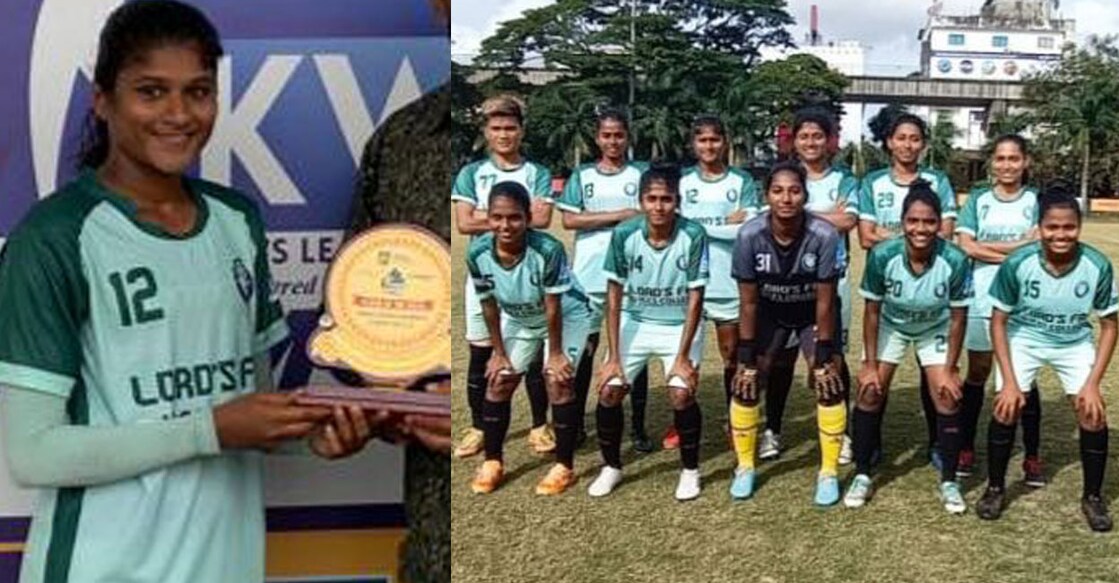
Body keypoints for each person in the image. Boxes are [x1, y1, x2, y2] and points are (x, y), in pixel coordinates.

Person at [0, 3, 368, 581]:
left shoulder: (235, 221)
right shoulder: (54, 238)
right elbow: (33, 453)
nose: (178, 114)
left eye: (198, 92)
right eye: (151, 92)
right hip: (104, 567)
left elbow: (252, 405)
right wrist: (207, 430)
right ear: (103, 100)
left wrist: (316, 438)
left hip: (226, 562)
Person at [349, 0, 452, 573]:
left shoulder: (547, 158)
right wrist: (391, 392)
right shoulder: (401, 142)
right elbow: (349, 321)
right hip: (438, 542)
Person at [975, 188, 1117, 532]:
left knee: (1092, 414)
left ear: (1079, 227)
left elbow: (1110, 325)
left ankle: (1093, 497)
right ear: (1039, 228)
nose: (1060, 235)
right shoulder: (1017, 263)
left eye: (1068, 227)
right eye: (1052, 227)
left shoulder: (1096, 265)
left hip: (1073, 341)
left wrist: (1092, 384)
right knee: (1006, 406)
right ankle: (995, 489)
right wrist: (1009, 382)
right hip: (1025, 338)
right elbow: (998, 321)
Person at [844, 181, 971, 514]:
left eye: (929, 221)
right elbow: (871, 312)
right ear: (902, 223)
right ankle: (862, 473)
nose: (921, 228)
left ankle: (949, 481)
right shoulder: (883, 255)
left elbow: (959, 318)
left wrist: (951, 368)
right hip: (892, 324)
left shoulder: (955, 259)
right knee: (870, 390)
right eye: (913, 221)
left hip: (935, 326)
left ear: (939, 224)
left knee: (946, 394)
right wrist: (870, 363)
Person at [588, 165, 709, 500]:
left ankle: (690, 471)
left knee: (681, 393)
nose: (659, 206)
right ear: (641, 201)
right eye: (652, 199)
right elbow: (613, 296)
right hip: (636, 320)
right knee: (610, 390)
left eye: (666, 199)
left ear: (677, 201)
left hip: (678, 326)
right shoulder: (625, 234)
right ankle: (611, 467)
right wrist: (612, 357)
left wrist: (683, 357)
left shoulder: (693, 235)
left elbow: (696, 297)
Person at [728, 162, 846, 506]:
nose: (786, 198)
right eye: (778, 191)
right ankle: (746, 466)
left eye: (794, 191)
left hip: (811, 313)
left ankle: (828, 472)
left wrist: (824, 354)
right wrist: (746, 354)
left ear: (805, 195)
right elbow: (748, 302)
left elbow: (825, 302)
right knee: (747, 381)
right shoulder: (749, 235)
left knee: (828, 381)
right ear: (766, 196)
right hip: (769, 313)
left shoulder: (824, 234)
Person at [466, 182, 592, 496]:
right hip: (521, 320)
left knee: (556, 379)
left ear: (527, 218)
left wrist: (557, 354)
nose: (505, 225)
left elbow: (553, 306)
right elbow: (488, 305)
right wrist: (497, 352)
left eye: (514, 218)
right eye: (497, 217)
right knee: (499, 379)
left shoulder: (548, 250)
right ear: (489, 218)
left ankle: (564, 466)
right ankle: (493, 461)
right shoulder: (478, 252)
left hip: (568, 315)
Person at [451, 95, 555, 459]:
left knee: (532, 352)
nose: (504, 135)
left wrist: (487, 217)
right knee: (480, 354)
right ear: (485, 132)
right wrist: (511, 220)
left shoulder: (537, 173)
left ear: (521, 131)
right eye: (496, 128)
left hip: (528, 276)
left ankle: (541, 425)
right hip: (484, 276)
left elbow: (541, 221)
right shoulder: (470, 173)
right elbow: (463, 223)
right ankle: (479, 426)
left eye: (510, 128)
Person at [857, 112, 958, 470]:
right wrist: (915, 237)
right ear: (888, 142)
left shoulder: (938, 181)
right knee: (877, 378)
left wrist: (901, 236)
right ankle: (870, 447)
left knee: (935, 376)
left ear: (923, 144)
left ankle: (937, 443)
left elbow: (944, 235)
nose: (907, 144)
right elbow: (866, 237)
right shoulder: (872, 182)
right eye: (901, 137)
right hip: (890, 287)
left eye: (915, 138)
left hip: (932, 288)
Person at [758, 108, 857, 464]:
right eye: (804, 136)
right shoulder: (781, 175)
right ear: (793, 141)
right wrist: (823, 215)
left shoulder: (844, 178)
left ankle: (840, 433)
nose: (811, 142)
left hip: (831, 282)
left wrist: (797, 215)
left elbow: (847, 220)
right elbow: (767, 220)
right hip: (783, 285)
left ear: (828, 141)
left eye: (818, 136)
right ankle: (773, 430)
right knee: (781, 358)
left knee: (831, 357)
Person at [556, 108, 652, 453]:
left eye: (619, 135)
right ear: (598, 138)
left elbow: (651, 215)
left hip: (634, 277)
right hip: (588, 277)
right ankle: (579, 424)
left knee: (632, 355)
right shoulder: (582, 175)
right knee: (584, 353)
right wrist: (621, 216)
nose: (613, 141)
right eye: (607, 135)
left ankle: (638, 428)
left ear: (628, 137)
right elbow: (568, 220)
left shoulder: (641, 173)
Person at [954, 135, 1044, 483]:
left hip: (1025, 297)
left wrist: (986, 245)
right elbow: (965, 246)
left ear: (1025, 163)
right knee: (978, 371)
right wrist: (1016, 248)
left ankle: (1032, 455)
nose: (1007, 165)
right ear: (992, 163)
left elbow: (1040, 248)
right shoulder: (978, 200)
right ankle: (966, 447)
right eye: (1001, 159)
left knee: (1023, 375)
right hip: (981, 295)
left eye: (1014, 159)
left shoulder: (1036, 201)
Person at [678, 115, 758, 444]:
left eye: (714, 139)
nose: (708, 146)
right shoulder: (683, 181)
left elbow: (746, 230)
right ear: (693, 144)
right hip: (689, 282)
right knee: (684, 356)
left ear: (725, 141)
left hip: (727, 281)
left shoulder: (742, 181)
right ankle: (681, 418)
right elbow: (674, 225)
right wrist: (721, 225)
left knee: (731, 354)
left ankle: (732, 419)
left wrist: (696, 225)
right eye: (702, 140)